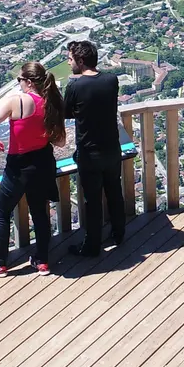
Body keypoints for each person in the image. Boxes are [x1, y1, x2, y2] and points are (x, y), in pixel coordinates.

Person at [0, 61, 66, 277]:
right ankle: (42, 261)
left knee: (1, 211)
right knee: (39, 212)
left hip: (19, 165)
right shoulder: (50, 101)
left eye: (19, 80)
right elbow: (61, 142)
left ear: (26, 81)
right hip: (43, 162)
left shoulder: (17, 101)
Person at [62, 39, 127, 256]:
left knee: (92, 201)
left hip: (89, 153)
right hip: (112, 148)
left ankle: (92, 246)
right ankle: (119, 233)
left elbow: (66, 112)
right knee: (114, 192)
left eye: (70, 59)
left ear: (80, 61)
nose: (68, 62)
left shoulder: (75, 86)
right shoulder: (111, 80)